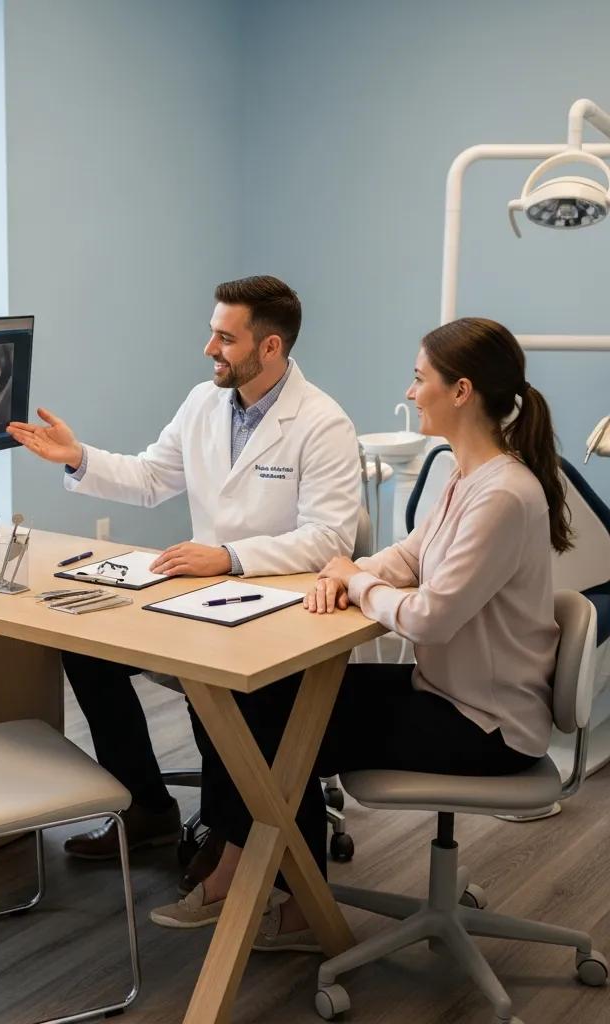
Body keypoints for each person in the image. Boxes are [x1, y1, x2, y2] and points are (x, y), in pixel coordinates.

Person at [150, 316, 570, 948]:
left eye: (419, 378)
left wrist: (355, 581)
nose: (409, 392)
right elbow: (408, 556)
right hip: (451, 692)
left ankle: (262, 890)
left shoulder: (503, 495)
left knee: (274, 734)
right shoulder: (470, 477)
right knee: (257, 705)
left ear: (460, 392)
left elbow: (429, 613)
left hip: (486, 725)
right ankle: (284, 895)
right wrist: (353, 570)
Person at [6, 275, 362, 875]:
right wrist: (77, 456)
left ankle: (240, 842)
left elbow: (330, 539)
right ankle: (146, 806)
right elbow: (150, 478)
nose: (209, 349)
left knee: (217, 688)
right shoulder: (203, 403)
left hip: (273, 609)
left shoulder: (323, 424)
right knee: (87, 651)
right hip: (199, 595)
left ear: (269, 347)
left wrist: (227, 557)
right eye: (211, 334)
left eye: (225, 338)